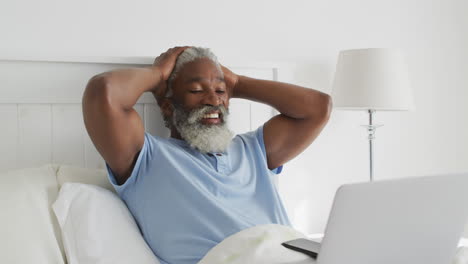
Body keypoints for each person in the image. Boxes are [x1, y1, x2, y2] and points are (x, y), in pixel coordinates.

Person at [82, 46, 332, 264]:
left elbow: (319, 107)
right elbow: (104, 92)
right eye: (196, 91)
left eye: (220, 91)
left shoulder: (254, 149)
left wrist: (236, 82)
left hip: (290, 255)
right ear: (168, 106)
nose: (214, 101)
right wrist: (158, 75)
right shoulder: (146, 157)